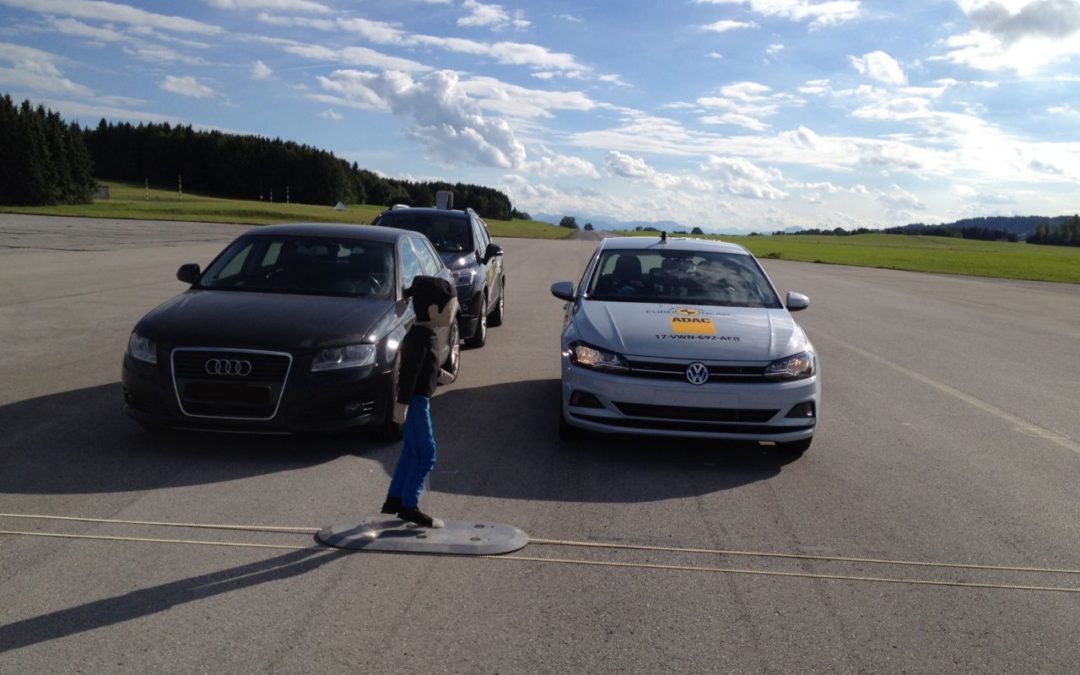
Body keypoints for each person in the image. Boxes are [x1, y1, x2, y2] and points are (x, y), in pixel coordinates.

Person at [380, 276, 458, 528]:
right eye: (450, 309)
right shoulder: (420, 339)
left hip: (417, 399)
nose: (452, 313)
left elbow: (425, 367)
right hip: (416, 402)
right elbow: (409, 373)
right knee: (427, 454)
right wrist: (401, 405)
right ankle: (409, 506)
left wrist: (439, 375)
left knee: (411, 452)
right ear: (434, 310)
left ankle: (395, 498)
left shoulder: (423, 334)